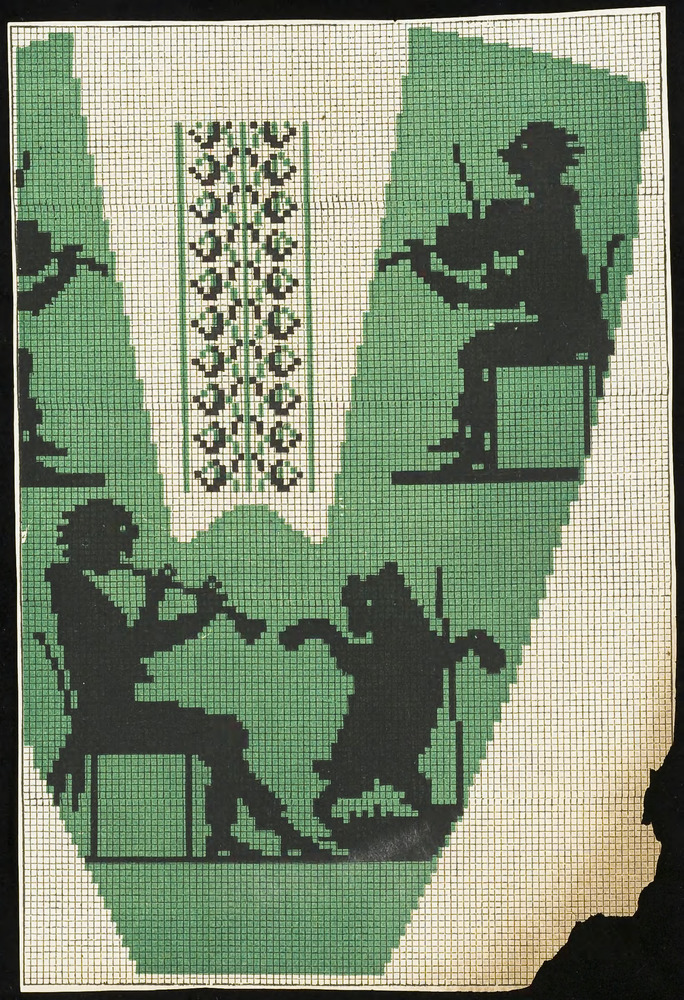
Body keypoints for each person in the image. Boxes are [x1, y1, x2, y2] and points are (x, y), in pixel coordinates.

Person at [46, 499, 319, 860]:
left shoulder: (75, 587)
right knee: (222, 733)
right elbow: (137, 646)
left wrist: (185, 610)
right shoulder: (73, 590)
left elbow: (135, 644)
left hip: (110, 713)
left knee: (224, 731)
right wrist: (177, 606)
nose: (123, 556)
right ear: (91, 540)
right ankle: (258, 832)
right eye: (116, 544)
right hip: (109, 718)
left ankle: (254, 831)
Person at [389, 121, 618, 474]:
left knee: (479, 350)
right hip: (574, 328)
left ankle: (473, 447)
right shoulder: (552, 210)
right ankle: (470, 439)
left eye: (525, 165)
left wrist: (432, 270)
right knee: (479, 348)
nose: (517, 173)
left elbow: (491, 292)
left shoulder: (544, 218)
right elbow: (502, 254)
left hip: (570, 335)